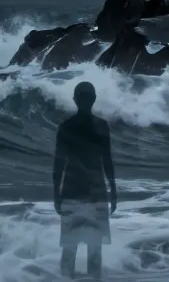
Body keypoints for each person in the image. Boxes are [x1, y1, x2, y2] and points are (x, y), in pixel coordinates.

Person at [53, 81, 117, 279]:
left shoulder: (66, 127)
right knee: (93, 249)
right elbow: (107, 161)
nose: (85, 101)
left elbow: (58, 164)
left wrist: (56, 194)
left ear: (75, 99)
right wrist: (113, 191)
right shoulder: (100, 126)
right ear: (93, 99)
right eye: (85, 97)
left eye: (84, 97)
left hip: (72, 192)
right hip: (96, 192)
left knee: (70, 249)